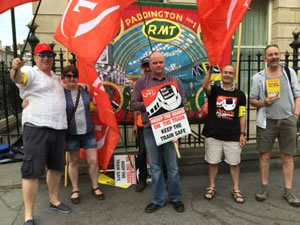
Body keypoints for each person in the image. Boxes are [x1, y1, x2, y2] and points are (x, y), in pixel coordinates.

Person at [10, 43, 71, 225]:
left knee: (56, 167)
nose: (47, 58)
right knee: (32, 171)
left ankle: (54, 200)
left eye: (50, 54)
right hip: (37, 127)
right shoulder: (30, 71)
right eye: (42, 54)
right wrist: (15, 69)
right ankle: (28, 215)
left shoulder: (55, 77)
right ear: (35, 57)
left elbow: (67, 88)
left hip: (58, 128)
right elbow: (18, 79)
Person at [131, 51, 185, 213]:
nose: (158, 65)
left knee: (172, 166)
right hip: (150, 129)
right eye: (154, 63)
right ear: (150, 64)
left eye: (160, 62)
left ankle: (176, 198)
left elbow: (182, 102)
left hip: (169, 127)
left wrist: (178, 128)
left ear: (165, 63)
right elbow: (133, 104)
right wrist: (149, 103)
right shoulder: (141, 83)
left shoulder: (175, 81)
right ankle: (158, 200)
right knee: (155, 167)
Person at [250, 44, 300, 207]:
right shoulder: (258, 77)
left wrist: (296, 115)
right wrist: (263, 102)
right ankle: (263, 188)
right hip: (267, 122)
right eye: (270, 54)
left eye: (276, 54)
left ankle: (288, 191)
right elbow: (252, 100)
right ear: (265, 58)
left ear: (279, 55)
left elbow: (298, 95)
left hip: (287, 120)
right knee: (264, 156)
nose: (274, 57)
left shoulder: (289, 72)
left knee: (287, 157)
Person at [202, 65, 247, 203]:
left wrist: (243, 133)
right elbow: (205, 86)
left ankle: (236, 189)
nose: (227, 75)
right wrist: (209, 72)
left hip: (232, 135)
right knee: (212, 162)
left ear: (234, 75)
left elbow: (242, 115)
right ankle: (211, 186)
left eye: (230, 73)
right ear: (221, 74)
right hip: (214, 134)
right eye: (225, 72)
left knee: (234, 164)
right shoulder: (214, 90)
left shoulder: (240, 94)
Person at [62, 65, 104, 204]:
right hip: (71, 133)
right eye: (68, 76)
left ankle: (95, 186)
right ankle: (75, 189)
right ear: (63, 78)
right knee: (73, 162)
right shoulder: (60, 92)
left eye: (74, 75)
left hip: (88, 131)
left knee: (93, 161)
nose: (72, 78)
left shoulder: (84, 89)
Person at [133, 57, 151, 192]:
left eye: (148, 65)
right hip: (142, 124)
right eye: (145, 66)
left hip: (158, 123)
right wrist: (134, 124)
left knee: (162, 151)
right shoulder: (139, 83)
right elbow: (136, 106)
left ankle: (163, 178)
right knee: (142, 152)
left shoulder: (159, 81)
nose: (147, 68)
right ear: (142, 68)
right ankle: (143, 178)